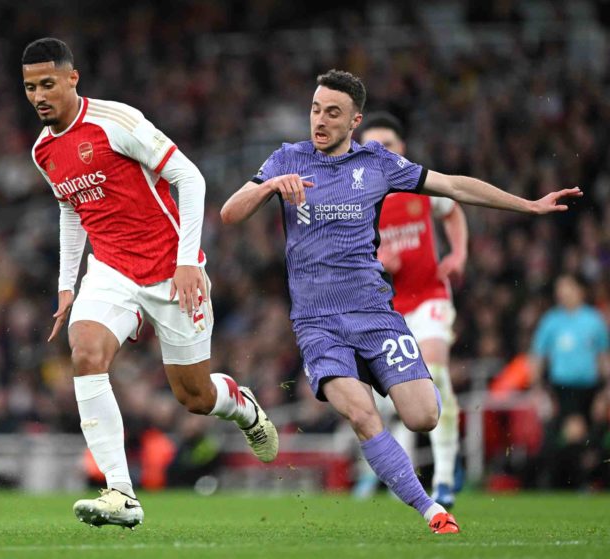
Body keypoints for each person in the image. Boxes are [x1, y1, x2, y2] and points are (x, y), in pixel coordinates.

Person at [220, 69, 581, 534]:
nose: (320, 121)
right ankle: (432, 509)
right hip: (317, 321)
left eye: (333, 113)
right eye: (315, 109)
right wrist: (269, 186)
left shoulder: (378, 164)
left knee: (423, 416)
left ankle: (390, 377)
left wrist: (528, 205)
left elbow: (453, 187)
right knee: (361, 413)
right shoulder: (286, 159)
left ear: (355, 121)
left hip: (374, 314)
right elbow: (230, 213)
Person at [21, 37, 278, 529]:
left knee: (195, 398)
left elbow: (191, 176)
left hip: (171, 271)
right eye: (31, 87)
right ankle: (121, 491)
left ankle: (242, 407)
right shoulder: (43, 150)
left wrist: (186, 261)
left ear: (73, 79)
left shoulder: (116, 122)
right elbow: (70, 208)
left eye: (48, 84)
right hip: (111, 271)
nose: (39, 96)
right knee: (86, 352)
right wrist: (66, 284)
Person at [352, 112, 468, 508]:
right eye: (372, 145)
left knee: (435, 375)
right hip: (388, 309)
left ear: (402, 150)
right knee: (394, 401)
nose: (380, 151)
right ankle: (387, 477)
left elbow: (452, 209)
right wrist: (380, 262)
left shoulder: (419, 186)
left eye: (388, 144)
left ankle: (446, 480)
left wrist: (458, 253)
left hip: (430, 297)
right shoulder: (359, 200)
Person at [529, 274, 609, 487]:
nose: (562, 293)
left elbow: (603, 358)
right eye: (559, 288)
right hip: (561, 390)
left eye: (567, 287)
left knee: (589, 439)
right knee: (568, 434)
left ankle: (584, 483)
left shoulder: (594, 320)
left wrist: (606, 391)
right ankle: (567, 483)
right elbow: (537, 358)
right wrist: (538, 390)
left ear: (580, 290)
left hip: (590, 389)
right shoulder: (551, 321)